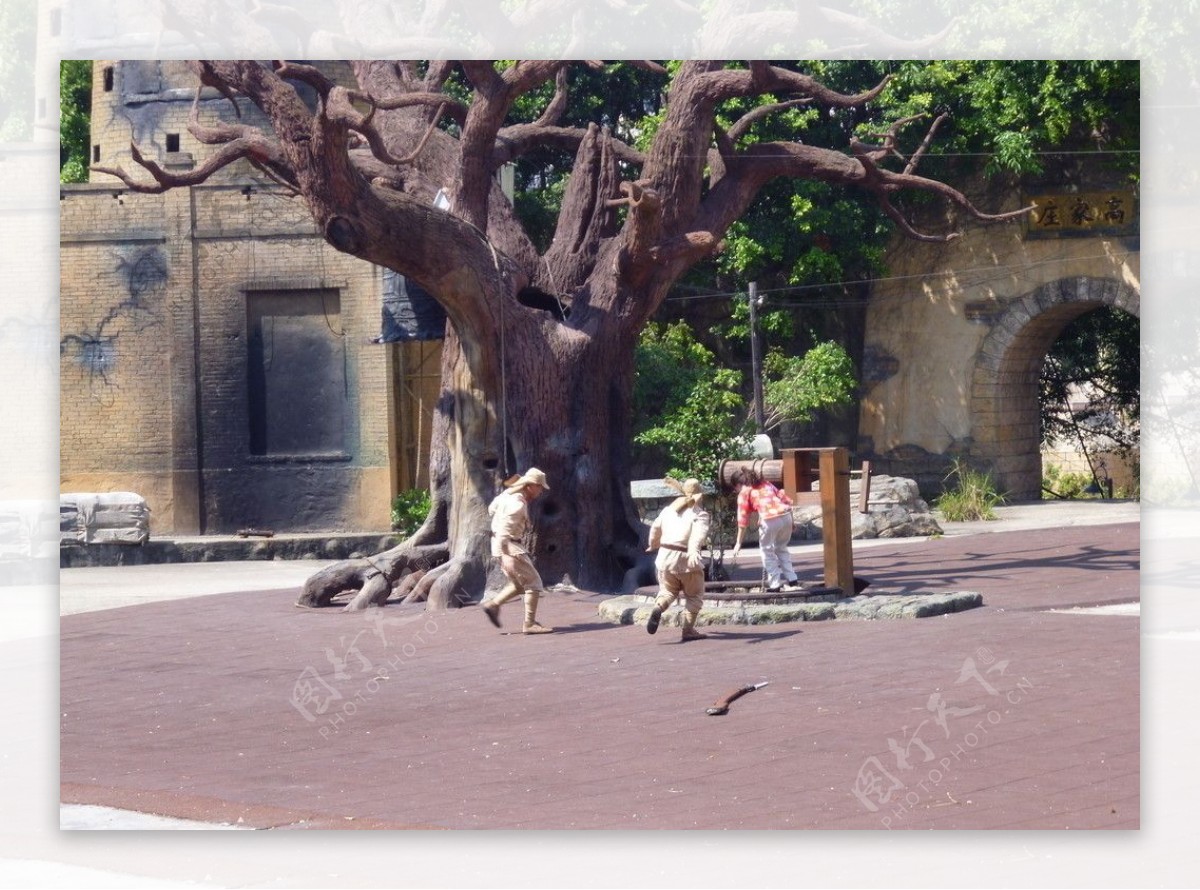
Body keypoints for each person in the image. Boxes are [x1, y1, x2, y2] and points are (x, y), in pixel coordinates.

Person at [479, 467, 555, 635]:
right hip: (509, 546)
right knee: (534, 584)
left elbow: (492, 508)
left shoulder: (507, 496)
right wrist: (506, 552)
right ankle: (529, 624)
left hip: (499, 545)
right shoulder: (517, 504)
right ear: (530, 486)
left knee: (519, 584)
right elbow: (506, 530)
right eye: (539, 486)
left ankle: (493, 605)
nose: (541, 490)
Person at [644, 477, 712, 642]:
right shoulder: (700, 514)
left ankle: (658, 607)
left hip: (665, 557)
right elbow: (698, 535)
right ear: (699, 495)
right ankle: (688, 630)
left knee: (667, 591)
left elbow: (655, 528)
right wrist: (694, 551)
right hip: (686, 559)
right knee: (694, 595)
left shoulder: (668, 510)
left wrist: (652, 545)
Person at [730, 465, 799, 592]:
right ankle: (792, 579)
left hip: (770, 519)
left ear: (738, 485)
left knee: (766, 552)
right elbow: (786, 501)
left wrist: (738, 543)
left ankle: (775, 584)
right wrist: (792, 522)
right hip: (786, 516)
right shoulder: (766, 484)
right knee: (781, 548)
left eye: (735, 488)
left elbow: (742, 521)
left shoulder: (744, 492)